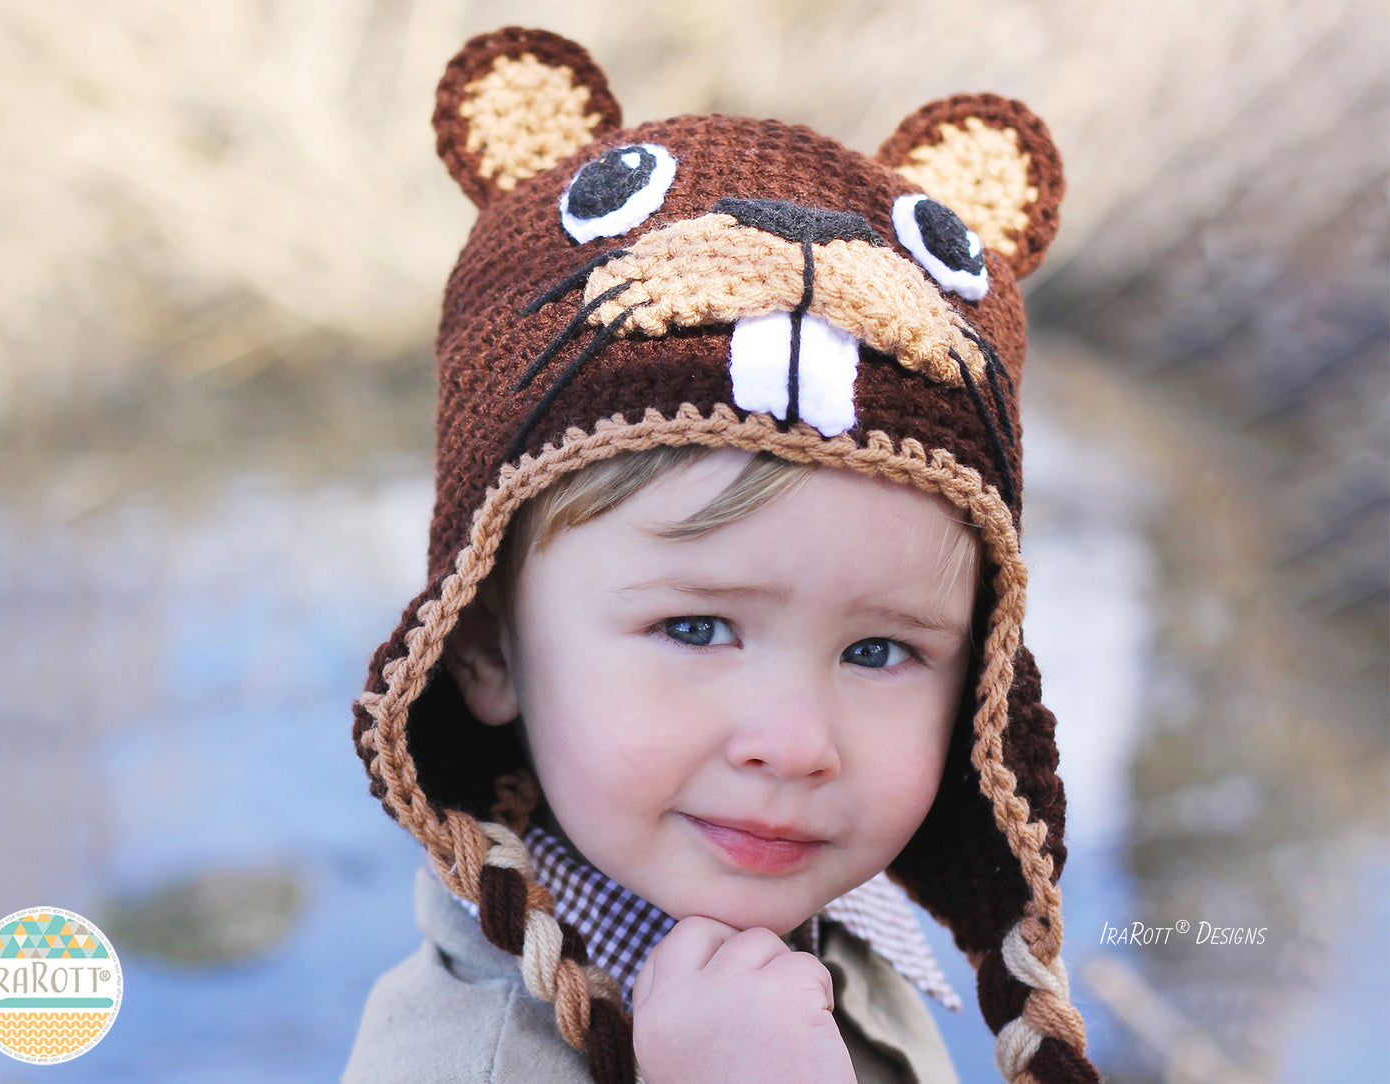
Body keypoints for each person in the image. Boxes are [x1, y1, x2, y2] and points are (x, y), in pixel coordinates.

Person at [345, 25, 1098, 1084]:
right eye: (695, 627)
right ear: (484, 649)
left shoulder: (845, 940)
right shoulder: (466, 1064)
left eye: (880, 649)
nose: (794, 746)